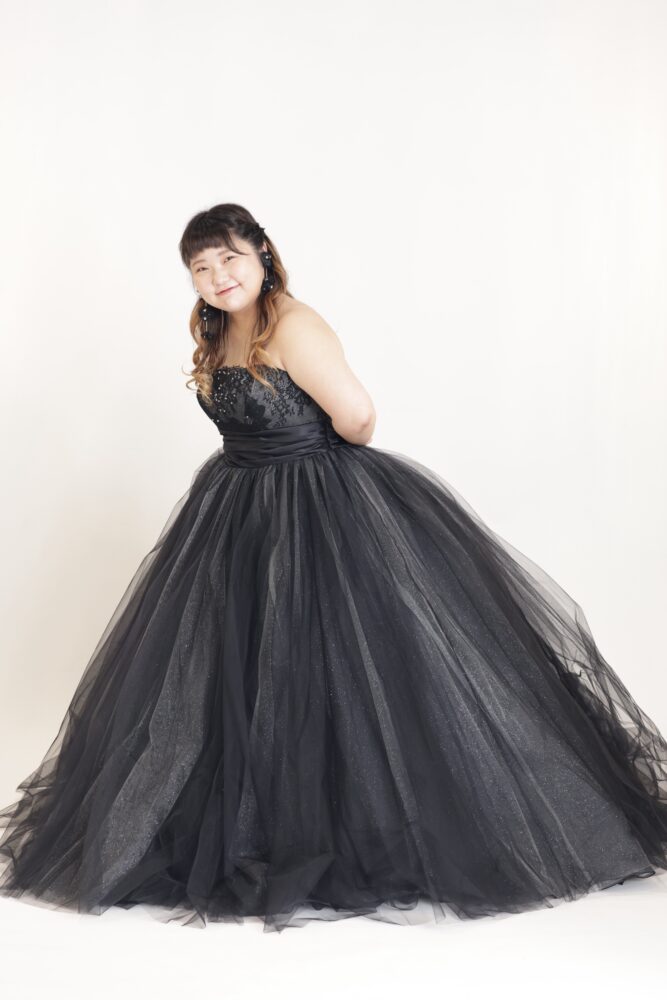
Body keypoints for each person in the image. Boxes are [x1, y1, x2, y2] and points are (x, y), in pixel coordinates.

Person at [1, 203, 667, 936]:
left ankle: (374, 823)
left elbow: (358, 418)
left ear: (261, 252)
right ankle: (262, 824)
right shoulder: (219, 329)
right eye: (201, 267)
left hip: (316, 504)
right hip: (239, 510)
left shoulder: (294, 325)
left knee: (345, 667)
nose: (218, 277)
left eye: (229, 258)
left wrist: (293, 445)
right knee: (246, 670)